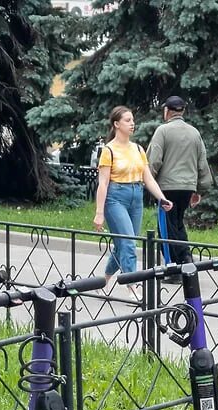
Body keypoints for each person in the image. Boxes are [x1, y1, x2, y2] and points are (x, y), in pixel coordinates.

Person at [93, 106, 173, 290]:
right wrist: (99, 213)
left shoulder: (138, 149)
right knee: (128, 243)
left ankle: (103, 281)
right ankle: (132, 287)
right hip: (115, 199)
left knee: (124, 244)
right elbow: (103, 183)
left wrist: (162, 198)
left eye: (132, 120)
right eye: (127, 120)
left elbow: (148, 178)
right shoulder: (109, 150)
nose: (132, 124)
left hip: (136, 198)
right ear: (116, 124)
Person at [146, 95, 214, 275]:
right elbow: (202, 164)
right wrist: (199, 190)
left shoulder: (163, 131)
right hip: (187, 189)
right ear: (182, 111)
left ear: (167, 111)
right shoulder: (194, 133)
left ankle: (174, 268)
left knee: (166, 229)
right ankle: (186, 259)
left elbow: (153, 161)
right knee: (177, 224)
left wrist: (148, 182)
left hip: (166, 189)